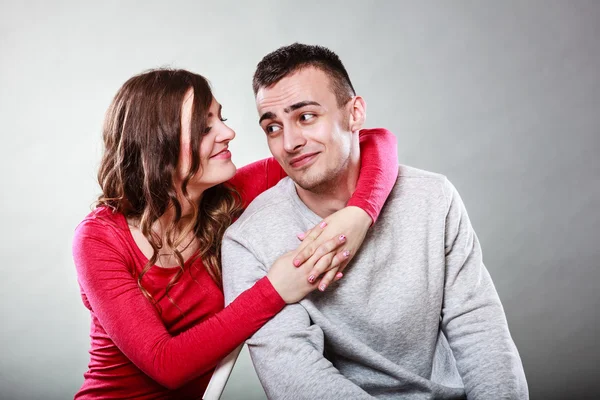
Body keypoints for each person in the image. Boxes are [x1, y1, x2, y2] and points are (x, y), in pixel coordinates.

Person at [222, 43, 529, 399]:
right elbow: (295, 376)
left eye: (306, 116)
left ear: (354, 114)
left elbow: (478, 328)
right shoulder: (248, 240)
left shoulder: (432, 198)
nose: (289, 142)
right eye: (273, 127)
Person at [72, 68, 399, 399]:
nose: (228, 133)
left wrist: (360, 215)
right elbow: (165, 363)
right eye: (205, 128)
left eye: (221, 118)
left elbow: (372, 140)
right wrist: (274, 290)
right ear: (158, 146)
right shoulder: (99, 238)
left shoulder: (228, 199)